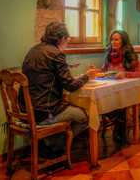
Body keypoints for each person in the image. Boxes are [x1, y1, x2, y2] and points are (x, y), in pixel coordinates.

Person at [20, 21, 96, 157]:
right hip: (44, 112)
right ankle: (55, 145)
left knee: (71, 107)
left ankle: (49, 141)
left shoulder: (33, 50)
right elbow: (71, 86)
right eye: (67, 39)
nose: (67, 43)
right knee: (86, 116)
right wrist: (87, 76)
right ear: (61, 38)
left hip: (26, 110)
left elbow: (48, 78)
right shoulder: (56, 54)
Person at [101, 30, 140, 145]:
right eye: (112, 39)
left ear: (123, 41)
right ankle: (119, 128)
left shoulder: (129, 55)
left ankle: (120, 132)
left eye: (116, 39)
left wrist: (126, 74)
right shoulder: (109, 55)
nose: (113, 42)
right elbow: (104, 71)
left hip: (127, 92)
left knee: (119, 103)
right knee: (103, 101)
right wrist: (97, 72)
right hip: (112, 91)